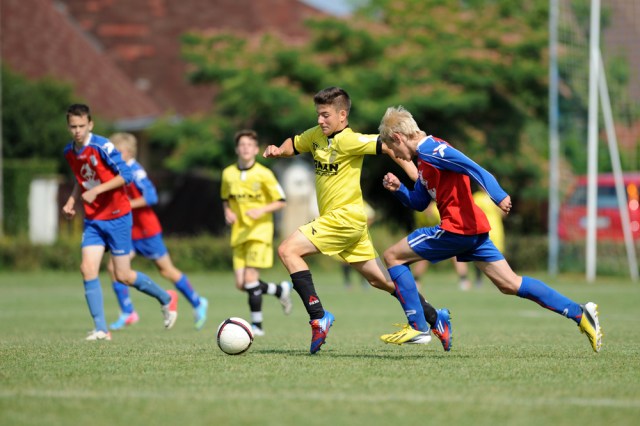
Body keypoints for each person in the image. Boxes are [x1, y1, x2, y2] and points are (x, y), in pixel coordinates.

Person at [377, 105, 603, 353]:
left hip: (457, 229)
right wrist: (399, 189)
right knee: (510, 284)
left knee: (392, 256)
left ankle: (419, 326)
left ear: (398, 137)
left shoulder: (432, 149)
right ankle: (581, 313)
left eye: (393, 148)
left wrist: (498, 195)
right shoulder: (424, 160)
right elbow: (420, 203)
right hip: (471, 231)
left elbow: (473, 166)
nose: (396, 154)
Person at [263, 87, 449, 354]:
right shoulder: (316, 136)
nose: (320, 120)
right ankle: (434, 316)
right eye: (318, 114)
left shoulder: (349, 141)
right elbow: (295, 143)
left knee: (287, 250)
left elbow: (388, 146)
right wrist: (279, 151)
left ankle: (318, 316)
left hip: (344, 219)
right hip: (346, 223)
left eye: (325, 115)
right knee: (381, 281)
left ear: (342, 115)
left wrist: (417, 176)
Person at [62, 104, 178, 341]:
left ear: (90, 124)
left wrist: (97, 192)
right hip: (94, 220)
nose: (77, 131)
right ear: (68, 126)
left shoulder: (102, 146)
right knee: (87, 269)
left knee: (123, 275)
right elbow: (81, 180)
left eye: (81, 126)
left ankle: (166, 298)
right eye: (73, 126)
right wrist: (71, 202)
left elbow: (125, 176)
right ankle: (102, 330)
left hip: (117, 216)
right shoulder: (69, 152)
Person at [106, 132, 209, 331]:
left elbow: (152, 197)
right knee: (114, 268)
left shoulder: (136, 172)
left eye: (116, 152)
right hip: (128, 230)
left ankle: (198, 302)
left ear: (127, 152)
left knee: (166, 270)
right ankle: (128, 312)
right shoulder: (117, 172)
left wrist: (127, 205)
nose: (113, 156)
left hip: (147, 230)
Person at [221, 129, 293, 337]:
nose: (245, 148)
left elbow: (281, 201)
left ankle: (257, 327)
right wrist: (227, 211)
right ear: (237, 149)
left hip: (259, 232)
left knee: (251, 279)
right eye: (241, 145)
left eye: (249, 145)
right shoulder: (228, 174)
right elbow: (225, 198)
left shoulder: (264, 173)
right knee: (241, 284)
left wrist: (261, 210)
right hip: (239, 233)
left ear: (255, 149)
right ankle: (280, 290)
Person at [412, 203, 472, 291]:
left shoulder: (438, 211)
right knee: (422, 257)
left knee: (455, 256)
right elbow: (421, 228)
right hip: (431, 238)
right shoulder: (419, 213)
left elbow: (446, 226)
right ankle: (416, 281)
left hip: (446, 236)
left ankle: (464, 280)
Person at [472, 189, 505, 286]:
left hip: (497, 230)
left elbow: (503, 213)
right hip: (483, 229)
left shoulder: (496, 196)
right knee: (479, 255)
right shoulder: (477, 197)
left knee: (498, 256)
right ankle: (478, 280)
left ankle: (500, 280)